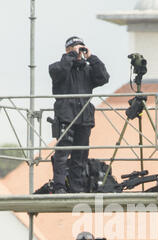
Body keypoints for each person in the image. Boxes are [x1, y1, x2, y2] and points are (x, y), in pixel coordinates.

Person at [49, 37, 110, 193]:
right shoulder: (57, 68)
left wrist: (91, 58)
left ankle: (77, 188)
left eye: (81, 48)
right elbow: (60, 71)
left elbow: (103, 77)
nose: (79, 51)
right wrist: (71, 56)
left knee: (81, 155)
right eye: (76, 48)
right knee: (62, 154)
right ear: (67, 50)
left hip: (84, 118)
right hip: (66, 117)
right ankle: (59, 186)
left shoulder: (88, 70)